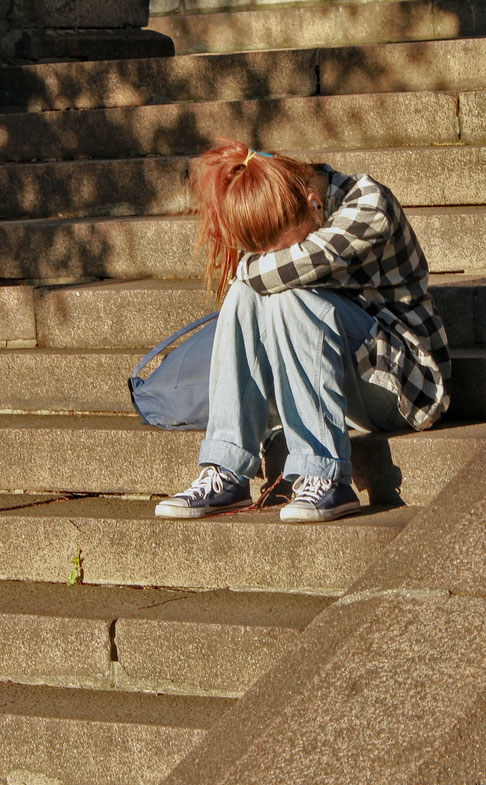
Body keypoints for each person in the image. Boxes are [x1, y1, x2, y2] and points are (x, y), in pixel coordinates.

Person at [154, 140, 450, 523]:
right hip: (343, 381)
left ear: (314, 202)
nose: (277, 256)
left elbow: (268, 273)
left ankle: (325, 476)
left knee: (283, 292)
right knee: (252, 295)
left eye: (286, 246)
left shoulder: (368, 205)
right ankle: (226, 467)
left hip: (405, 385)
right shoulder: (296, 208)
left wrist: (249, 268)